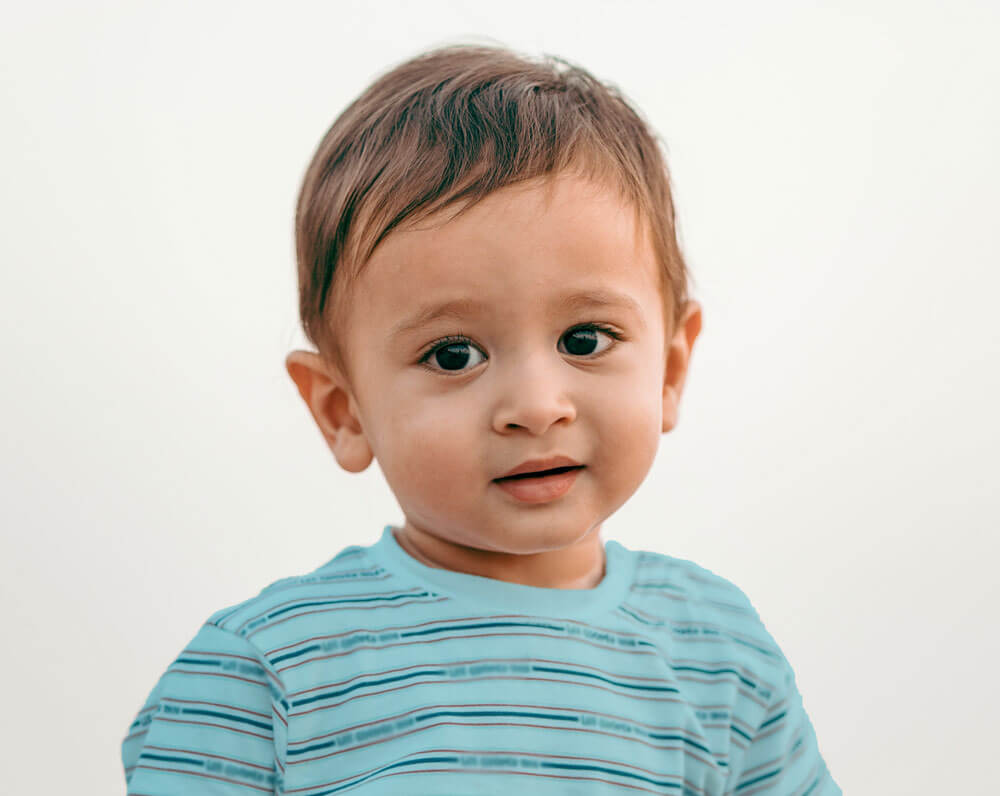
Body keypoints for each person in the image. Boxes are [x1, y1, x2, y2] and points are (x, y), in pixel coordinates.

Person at [121, 43, 841, 795]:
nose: (534, 407)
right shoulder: (263, 673)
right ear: (343, 411)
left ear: (669, 368)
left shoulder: (718, 654)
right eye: (453, 354)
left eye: (585, 340)